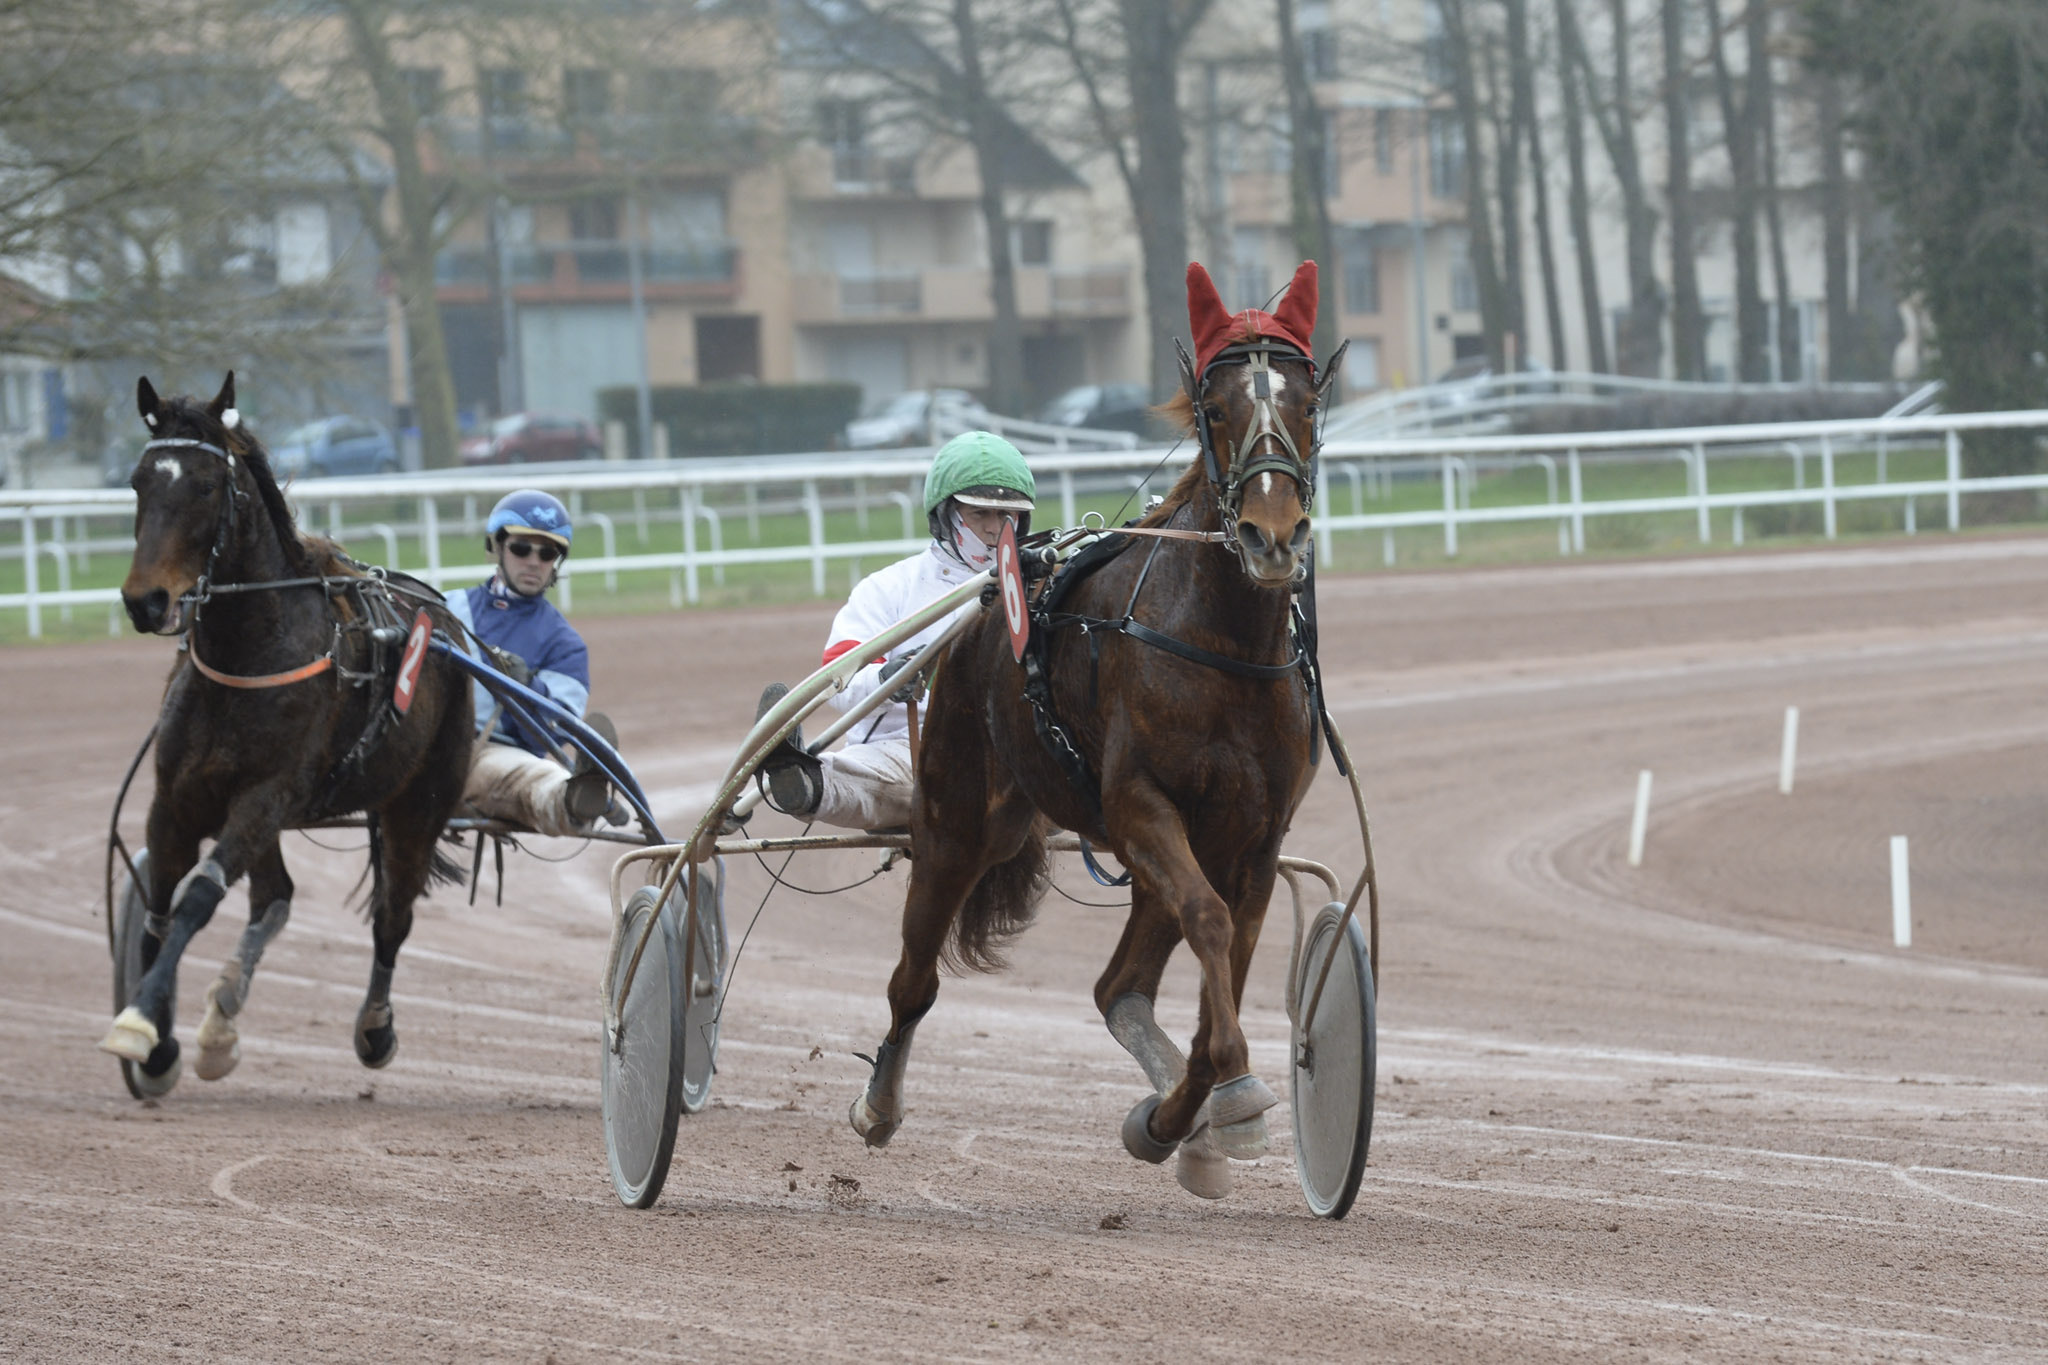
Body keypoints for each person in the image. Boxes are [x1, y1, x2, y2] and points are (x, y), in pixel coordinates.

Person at [754, 430, 1035, 830]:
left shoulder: (1039, 587)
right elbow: (837, 681)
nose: (995, 529)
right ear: (946, 514)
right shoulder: (888, 588)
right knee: (898, 779)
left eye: (1007, 516)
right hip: (908, 748)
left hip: (1016, 748)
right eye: (980, 514)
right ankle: (804, 781)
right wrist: (887, 678)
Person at [445, 489, 618, 836]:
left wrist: (528, 686)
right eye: (522, 548)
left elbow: (548, 739)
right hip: (426, 742)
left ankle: (572, 800)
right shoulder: (447, 608)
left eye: (547, 552)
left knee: (537, 778)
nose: (533, 561)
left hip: (490, 757)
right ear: (498, 547)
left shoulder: (565, 644)